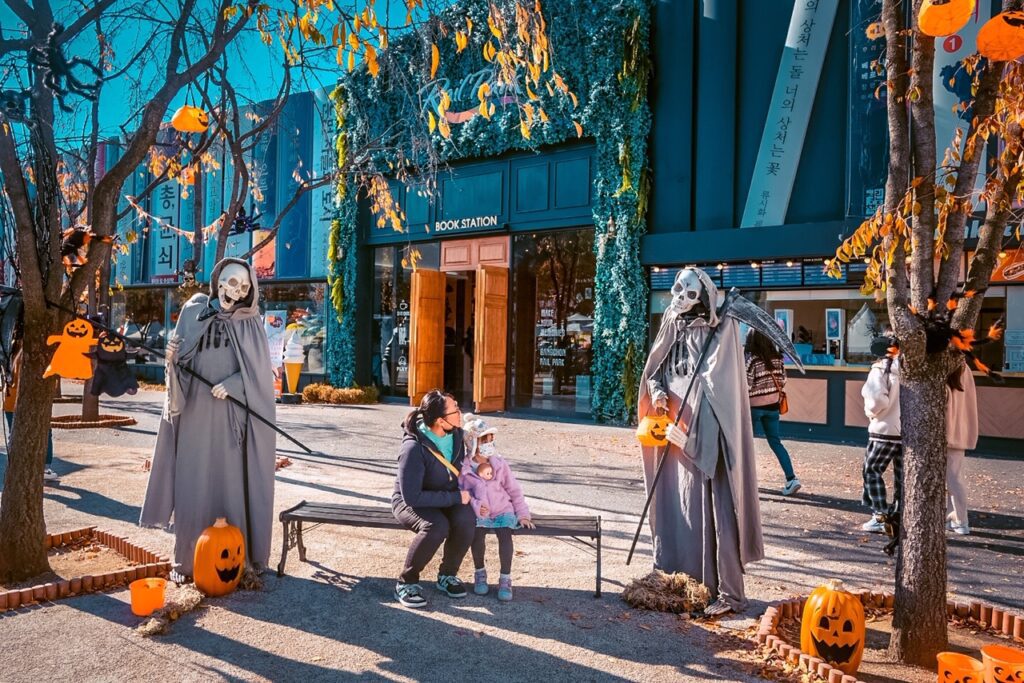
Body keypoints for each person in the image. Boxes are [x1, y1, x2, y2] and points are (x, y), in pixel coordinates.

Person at [140, 258, 277, 583]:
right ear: (217, 281)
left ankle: (239, 561)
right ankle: (188, 561)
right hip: (195, 416)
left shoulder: (249, 322)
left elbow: (259, 381)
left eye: (245, 287)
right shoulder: (193, 310)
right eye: (232, 283)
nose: (238, 292)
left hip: (231, 424)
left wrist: (234, 385)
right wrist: (172, 362)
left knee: (230, 486)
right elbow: (179, 366)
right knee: (192, 483)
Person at [392, 390, 476, 608]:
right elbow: (412, 496)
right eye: (455, 410)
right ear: (440, 420)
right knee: (436, 526)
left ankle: (447, 575)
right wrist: (455, 497)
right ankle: (406, 582)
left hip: (445, 496)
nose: (461, 413)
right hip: (410, 501)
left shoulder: (456, 435)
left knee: (467, 519)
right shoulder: (413, 448)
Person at [460, 414, 534, 601]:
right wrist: (476, 506)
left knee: (505, 535)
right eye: (485, 440)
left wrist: (523, 514)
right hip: (480, 512)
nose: (490, 444)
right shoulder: (465, 468)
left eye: (492, 440)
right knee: (477, 536)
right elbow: (463, 494)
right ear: (474, 443)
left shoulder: (499, 464)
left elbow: (514, 490)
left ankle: (505, 578)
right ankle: (480, 573)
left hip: (502, 510)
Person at [745, 329, 801, 496]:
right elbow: (783, 380)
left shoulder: (752, 360)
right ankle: (792, 479)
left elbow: (746, 385)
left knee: (747, 445)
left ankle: (747, 481)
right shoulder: (778, 359)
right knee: (776, 443)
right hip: (773, 407)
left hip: (754, 408)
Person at [860, 334, 902, 533]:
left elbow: (877, 400)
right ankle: (900, 513)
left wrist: (871, 413)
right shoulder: (907, 368)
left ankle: (880, 514)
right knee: (902, 475)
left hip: (884, 429)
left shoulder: (879, 370)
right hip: (906, 431)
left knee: (872, 470)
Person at [3, 343, 59, 483]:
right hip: (29, 399)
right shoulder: (33, 349)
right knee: (44, 431)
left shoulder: (11, 347)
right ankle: (44, 468)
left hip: (11, 399)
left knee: (15, 433)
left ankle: (16, 466)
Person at [945, 361, 978, 535]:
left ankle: (960, 519)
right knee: (954, 477)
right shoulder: (965, 369)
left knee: (953, 479)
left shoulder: (947, 368)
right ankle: (954, 517)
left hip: (947, 431)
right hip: (960, 429)